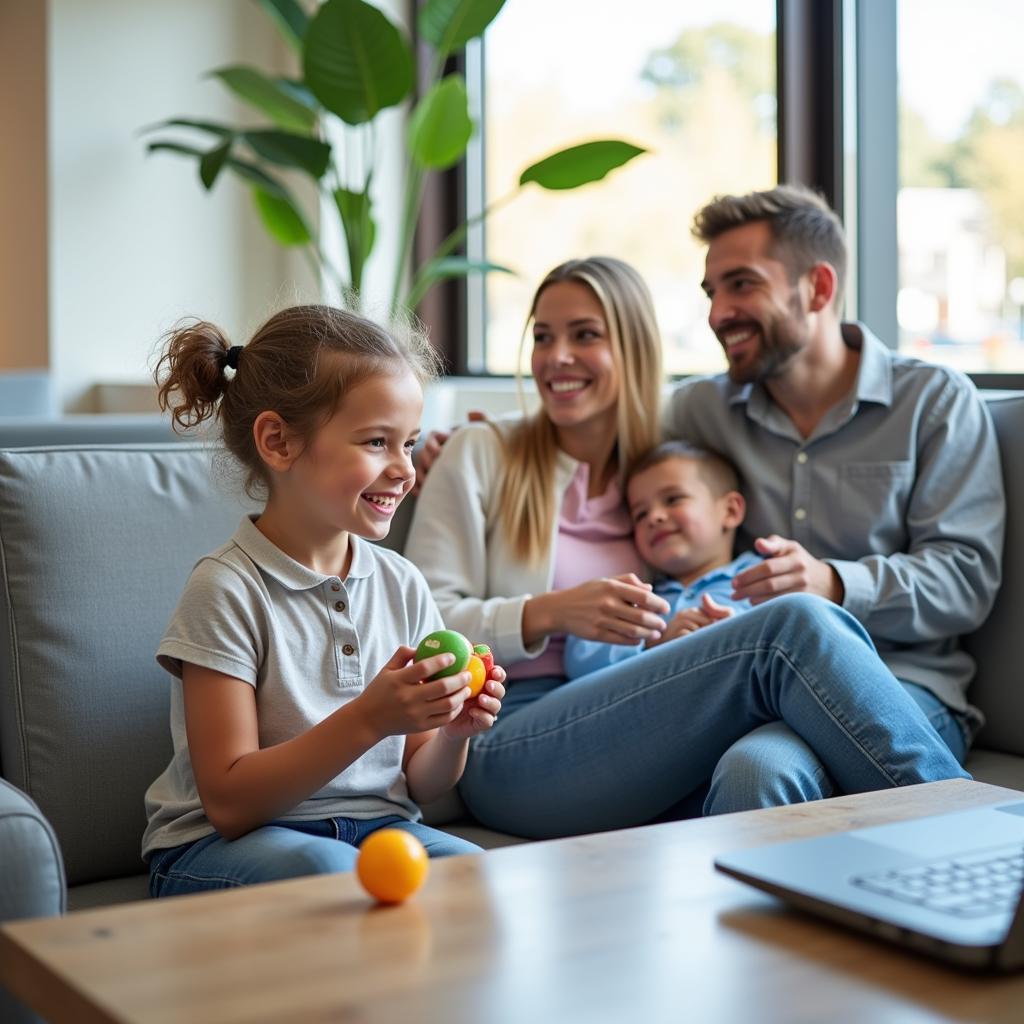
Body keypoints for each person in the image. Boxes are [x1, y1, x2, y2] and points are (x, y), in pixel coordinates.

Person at [405, 256, 969, 840]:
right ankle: (971, 838)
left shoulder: (671, 458)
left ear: (634, 348)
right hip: (509, 736)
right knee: (792, 626)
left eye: (585, 335)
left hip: (660, 728)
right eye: (542, 337)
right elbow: (416, 624)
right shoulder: (480, 453)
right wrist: (549, 611)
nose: (557, 357)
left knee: (761, 774)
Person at [142, 305, 505, 896]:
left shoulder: (402, 584)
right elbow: (230, 802)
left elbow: (422, 782)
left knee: (477, 877)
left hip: (377, 827)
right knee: (332, 880)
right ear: (279, 441)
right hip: (220, 845)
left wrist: (454, 732)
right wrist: (369, 718)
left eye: (408, 443)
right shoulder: (226, 590)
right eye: (377, 442)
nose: (404, 470)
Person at [668, 184, 1003, 812]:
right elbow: (598, 469)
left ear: (818, 288)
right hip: (756, 687)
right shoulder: (697, 411)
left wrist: (834, 584)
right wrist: (459, 445)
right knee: (751, 766)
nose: (718, 314)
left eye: (742, 285)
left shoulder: (933, 401)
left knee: (757, 772)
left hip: (905, 686)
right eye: (712, 292)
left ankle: (990, 880)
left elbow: (965, 581)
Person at [563, 440, 759, 681]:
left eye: (673, 499)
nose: (654, 517)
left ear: (730, 511)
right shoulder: (639, 599)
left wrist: (739, 632)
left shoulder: (765, 577)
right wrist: (653, 646)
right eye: (640, 514)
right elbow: (580, 661)